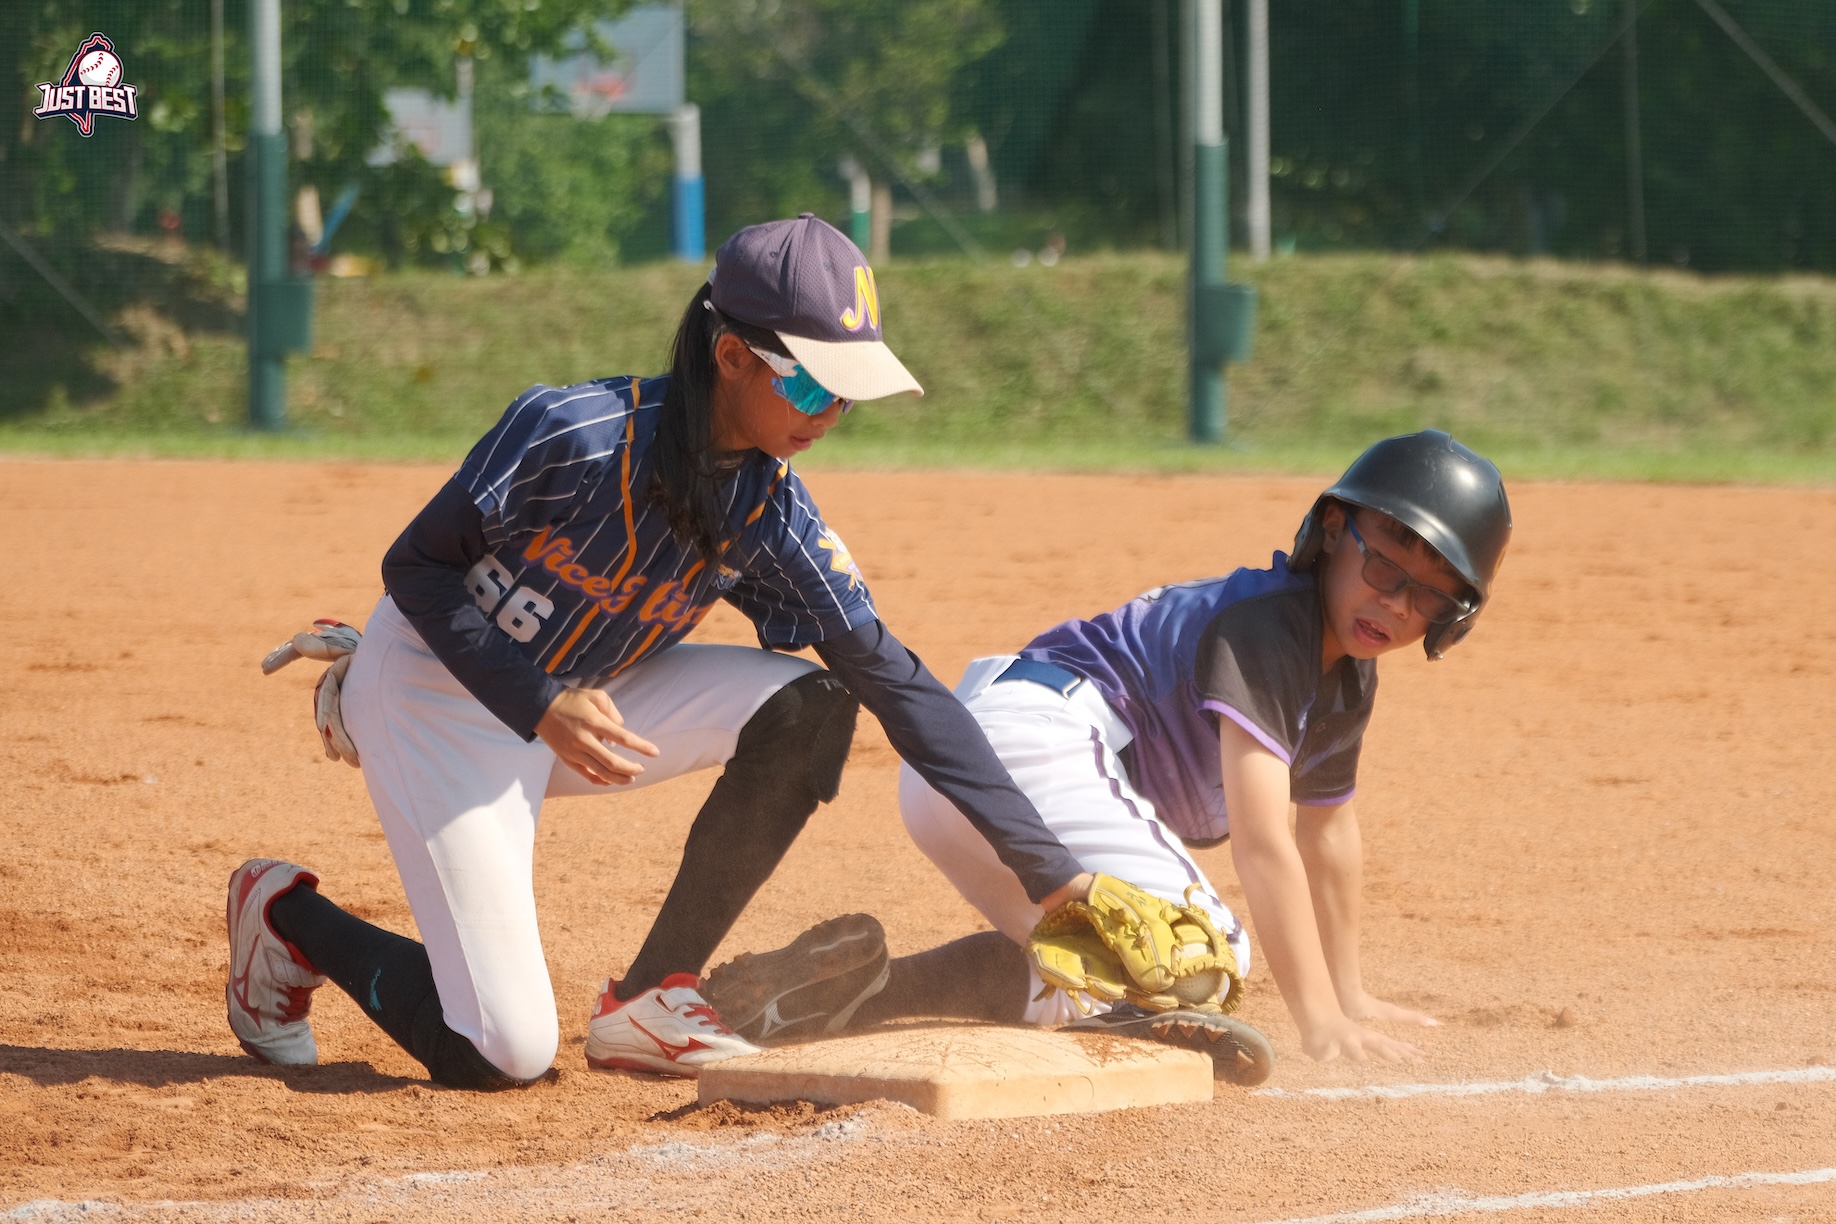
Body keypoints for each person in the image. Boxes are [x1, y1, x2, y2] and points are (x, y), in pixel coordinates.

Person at [225, 214, 1099, 1089]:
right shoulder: (572, 433)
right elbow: (414, 565)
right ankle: (288, 917)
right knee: (504, 1052)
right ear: (730, 358)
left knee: (813, 704)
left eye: (849, 395)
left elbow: (896, 681)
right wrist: (534, 701)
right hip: (437, 693)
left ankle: (648, 999)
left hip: (584, 696)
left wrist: (1056, 879)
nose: (831, 414)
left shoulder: (769, 511)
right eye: (811, 388)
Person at [703, 432, 1512, 1082]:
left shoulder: (1345, 680)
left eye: (1429, 594)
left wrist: (1351, 991)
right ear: (1333, 533)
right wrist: (1320, 1020)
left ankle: (864, 991)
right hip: (1026, 742)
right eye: (1384, 565)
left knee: (1087, 984)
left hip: (968, 771)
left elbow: (1328, 835)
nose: (1395, 603)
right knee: (1205, 951)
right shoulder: (1276, 628)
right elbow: (1267, 846)